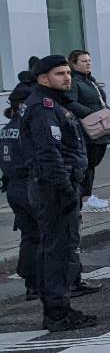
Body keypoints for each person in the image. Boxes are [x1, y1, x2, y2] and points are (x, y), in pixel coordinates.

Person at [21, 55, 96, 331]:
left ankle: (58, 307)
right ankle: (57, 312)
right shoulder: (44, 107)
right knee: (59, 250)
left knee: (55, 247)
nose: (67, 77)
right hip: (53, 188)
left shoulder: (54, 104)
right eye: (60, 74)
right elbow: (49, 154)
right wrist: (65, 190)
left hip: (56, 185)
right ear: (43, 79)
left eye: (67, 72)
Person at [63, 50, 110, 210]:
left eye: (89, 60)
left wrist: (108, 112)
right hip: (88, 129)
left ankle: (85, 195)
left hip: (101, 127)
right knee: (87, 163)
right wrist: (92, 114)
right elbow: (70, 103)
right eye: (83, 61)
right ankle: (85, 197)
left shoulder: (91, 81)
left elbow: (100, 100)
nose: (88, 63)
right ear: (74, 64)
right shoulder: (74, 82)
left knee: (93, 163)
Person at [3, 80, 38, 301]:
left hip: (14, 187)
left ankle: (30, 283)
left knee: (29, 236)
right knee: (43, 236)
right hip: (30, 186)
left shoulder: (7, 129)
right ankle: (39, 283)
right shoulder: (27, 128)